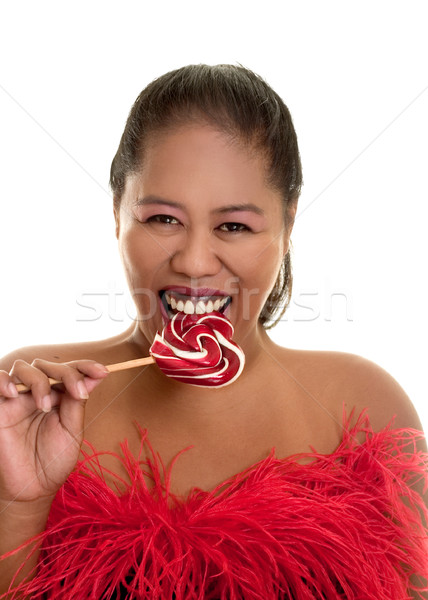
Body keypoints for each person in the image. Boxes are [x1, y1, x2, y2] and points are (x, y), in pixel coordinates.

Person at [0, 64, 426, 599]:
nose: (196, 263)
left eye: (234, 226)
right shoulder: (31, 404)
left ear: (288, 225)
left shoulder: (364, 407)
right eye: (162, 219)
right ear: (117, 214)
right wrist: (19, 505)